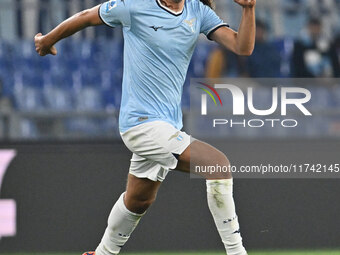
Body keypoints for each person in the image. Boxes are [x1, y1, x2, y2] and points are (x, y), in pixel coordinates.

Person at [34, 0, 256, 254]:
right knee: (217, 165)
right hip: (140, 123)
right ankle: (237, 252)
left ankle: (103, 253)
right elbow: (86, 16)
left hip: (167, 125)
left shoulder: (198, 11)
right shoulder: (133, 6)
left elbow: (242, 47)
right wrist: (48, 40)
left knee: (138, 200)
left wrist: (248, 9)